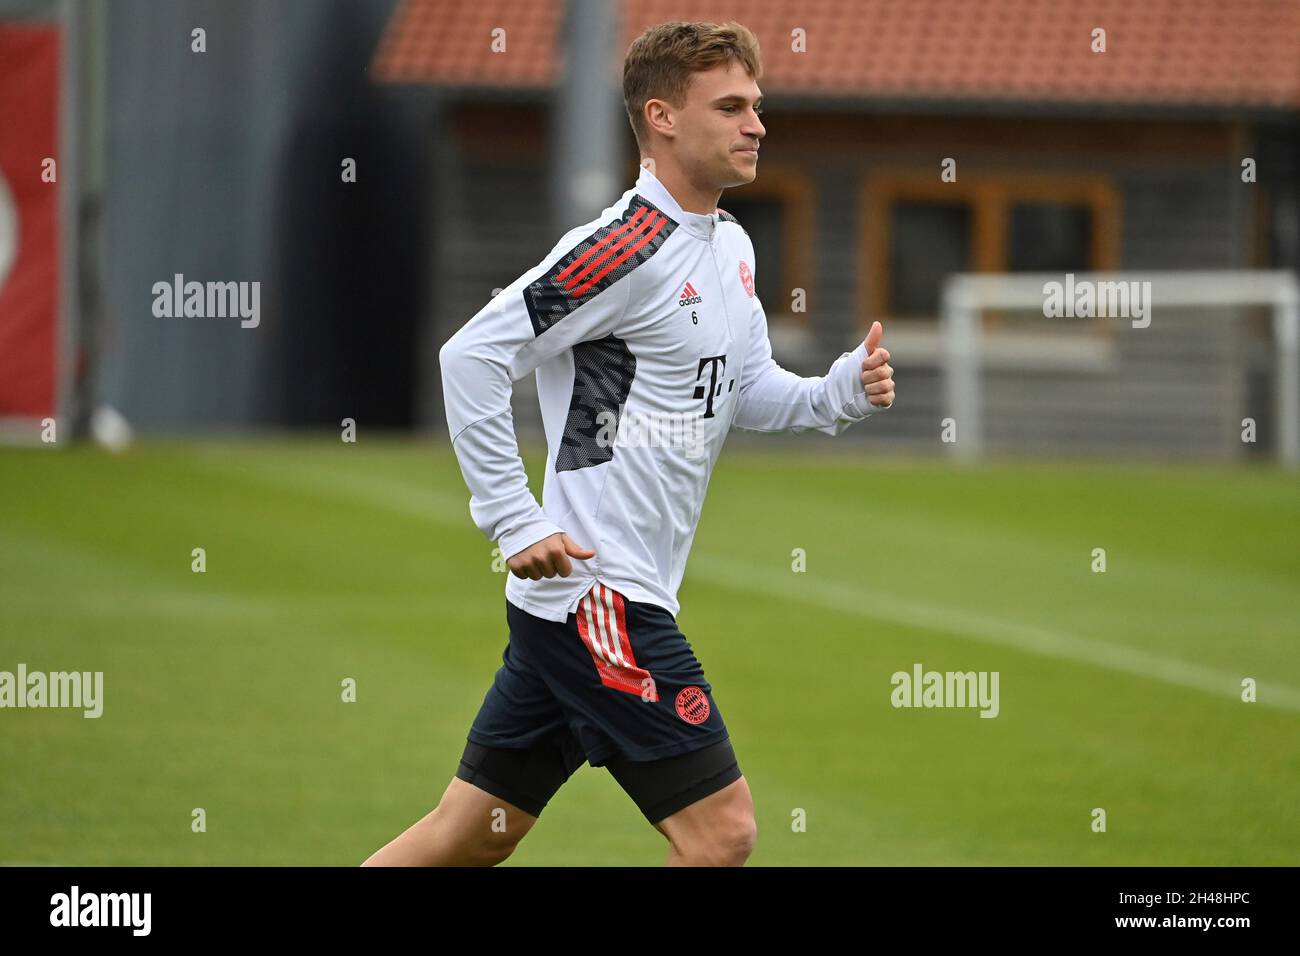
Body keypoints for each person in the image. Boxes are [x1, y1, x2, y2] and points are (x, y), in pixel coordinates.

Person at [363, 19, 894, 867]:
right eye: (730, 106)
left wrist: (838, 392)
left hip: (583, 601)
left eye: (757, 105)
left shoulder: (731, 245)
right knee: (723, 836)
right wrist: (514, 519)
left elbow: (744, 391)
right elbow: (470, 355)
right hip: (601, 595)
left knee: (465, 839)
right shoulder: (621, 247)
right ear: (663, 116)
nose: (757, 124)